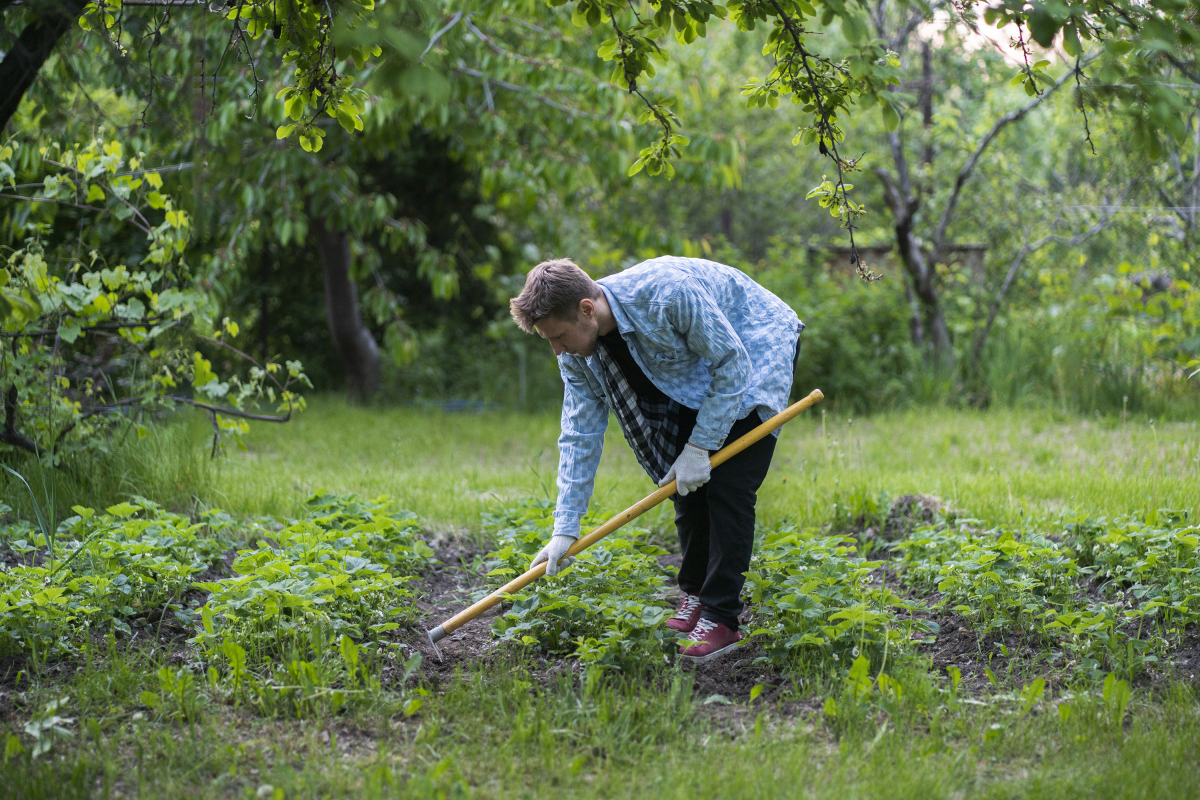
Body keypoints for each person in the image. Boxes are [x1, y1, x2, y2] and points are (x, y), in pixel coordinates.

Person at [508, 256, 803, 664]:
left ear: (586, 309)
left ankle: (722, 618)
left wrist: (701, 449)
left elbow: (733, 364)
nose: (556, 349)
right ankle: (696, 594)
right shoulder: (576, 355)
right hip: (692, 372)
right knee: (682, 485)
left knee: (729, 486)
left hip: (752, 344)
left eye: (558, 336)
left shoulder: (667, 295)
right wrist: (565, 528)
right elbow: (579, 433)